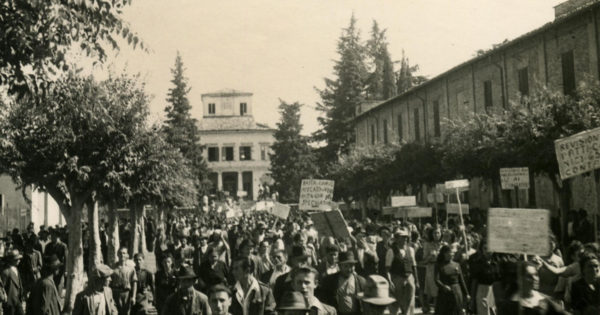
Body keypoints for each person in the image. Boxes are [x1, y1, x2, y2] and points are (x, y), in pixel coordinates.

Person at [497, 262, 567, 315]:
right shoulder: (508, 306)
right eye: (529, 276)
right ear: (519, 279)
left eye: (536, 274)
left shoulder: (544, 300)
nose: (535, 279)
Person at [385, 228, 419, 315]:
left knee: (409, 302)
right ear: (396, 239)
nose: (405, 239)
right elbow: (387, 269)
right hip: (397, 278)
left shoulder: (410, 250)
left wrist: (416, 281)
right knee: (395, 303)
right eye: (402, 237)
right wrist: (389, 281)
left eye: (406, 237)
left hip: (409, 277)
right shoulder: (391, 251)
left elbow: (414, 266)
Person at [434, 244, 469, 315]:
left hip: (457, 293)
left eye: (453, 252)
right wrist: (443, 286)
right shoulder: (439, 265)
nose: (452, 254)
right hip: (444, 294)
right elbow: (436, 279)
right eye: (450, 252)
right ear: (444, 253)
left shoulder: (457, 265)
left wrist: (466, 294)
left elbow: (461, 280)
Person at [468, 240, 499, 315]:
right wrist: (472, 299)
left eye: (489, 248)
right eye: (485, 248)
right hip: (482, 291)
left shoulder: (496, 262)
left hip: (493, 291)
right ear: (482, 250)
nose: (487, 251)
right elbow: (474, 281)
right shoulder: (478, 263)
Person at [422, 226, 443, 313]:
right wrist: (430, 256)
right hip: (431, 268)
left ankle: (438, 309)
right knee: (433, 291)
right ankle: (429, 308)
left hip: (441, 269)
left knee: (440, 290)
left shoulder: (444, 245)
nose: (436, 235)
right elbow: (424, 261)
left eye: (438, 233)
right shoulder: (428, 244)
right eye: (435, 233)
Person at [111, 247, 137, 315]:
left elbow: (134, 283)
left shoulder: (131, 268)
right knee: (114, 312)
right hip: (115, 293)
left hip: (126, 294)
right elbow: (109, 282)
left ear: (127, 255)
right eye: (120, 253)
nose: (122, 255)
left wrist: (133, 297)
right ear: (117, 254)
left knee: (126, 313)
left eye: (124, 253)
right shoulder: (113, 268)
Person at [1, 250, 24, 315]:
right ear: (11, 260)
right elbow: (2, 287)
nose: (19, 260)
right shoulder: (6, 272)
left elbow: (19, 283)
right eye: (17, 259)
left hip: (18, 300)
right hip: (10, 303)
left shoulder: (16, 269)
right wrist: (5, 300)